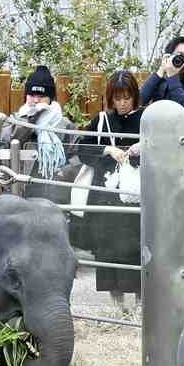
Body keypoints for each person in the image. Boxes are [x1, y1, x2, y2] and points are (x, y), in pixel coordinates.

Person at [74, 70, 143, 311]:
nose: (122, 103)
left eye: (127, 98)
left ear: (135, 96)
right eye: (117, 98)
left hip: (135, 197)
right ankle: (117, 303)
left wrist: (141, 148)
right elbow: (82, 149)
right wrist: (107, 150)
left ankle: (140, 302)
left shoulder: (146, 119)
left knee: (136, 248)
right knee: (107, 250)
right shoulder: (102, 120)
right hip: (106, 198)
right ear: (110, 98)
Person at [0, 65, 71, 182]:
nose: (36, 100)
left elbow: (77, 154)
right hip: (21, 181)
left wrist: (65, 171)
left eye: (41, 96)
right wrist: (30, 118)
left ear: (50, 98)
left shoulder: (64, 124)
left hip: (53, 183)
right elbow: (7, 140)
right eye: (32, 95)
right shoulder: (14, 119)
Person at [139, 35, 184, 138]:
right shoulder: (162, 83)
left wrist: (172, 77)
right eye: (180, 56)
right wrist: (160, 71)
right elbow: (139, 101)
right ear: (169, 58)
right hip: (158, 140)